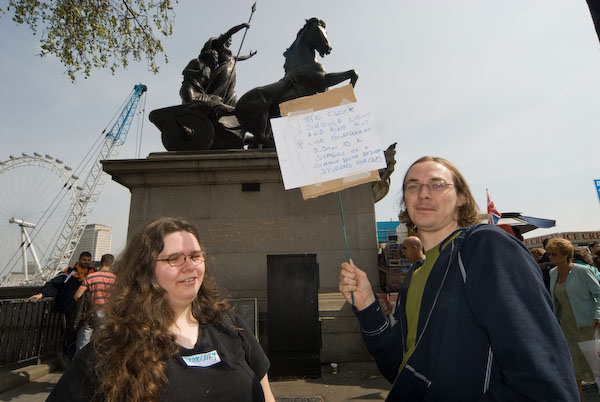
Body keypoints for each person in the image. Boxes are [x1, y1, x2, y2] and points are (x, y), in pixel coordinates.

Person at [338, 156, 578, 401]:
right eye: (412, 186)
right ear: (405, 201)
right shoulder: (415, 276)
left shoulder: (485, 246)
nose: (423, 193)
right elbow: (401, 368)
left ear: (461, 198)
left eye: (437, 184)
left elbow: (543, 382)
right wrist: (367, 306)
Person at [48, 217, 275, 402]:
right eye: (174, 259)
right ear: (145, 271)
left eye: (195, 256)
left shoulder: (230, 326)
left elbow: (266, 394)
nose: (190, 266)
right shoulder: (111, 350)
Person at [547, 238, 600, 400]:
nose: (550, 257)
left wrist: (598, 315)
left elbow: (599, 294)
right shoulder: (552, 273)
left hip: (587, 326)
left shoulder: (582, 271)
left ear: (565, 254)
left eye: (554, 254)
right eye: (549, 254)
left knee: (596, 368)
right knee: (573, 370)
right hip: (566, 327)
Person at [30, 252, 95, 363]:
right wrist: (41, 294)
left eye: (88, 260)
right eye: (84, 260)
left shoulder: (93, 273)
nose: (86, 262)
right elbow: (53, 283)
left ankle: (78, 361)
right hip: (68, 308)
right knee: (69, 333)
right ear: (79, 259)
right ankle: (69, 358)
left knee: (84, 335)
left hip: (86, 310)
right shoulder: (68, 273)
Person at [203, 23, 257, 106]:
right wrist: (242, 26)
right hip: (224, 72)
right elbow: (230, 32)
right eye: (230, 40)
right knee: (219, 90)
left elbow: (239, 58)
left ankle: (228, 106)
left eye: (231, 41)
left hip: (231, 74)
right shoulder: (219, 45)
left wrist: (249, 56)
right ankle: (212, 105)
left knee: (231, 94)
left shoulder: (229, 55)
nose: (230, 42)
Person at [73, 253, 116, 347]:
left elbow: (77, 296)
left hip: (90, 311)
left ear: (101, 263)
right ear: (112, 264)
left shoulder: (91, 277)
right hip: (107, 312)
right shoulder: (115, 279)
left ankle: (79, 360)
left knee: (84, 337)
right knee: (102, 338)